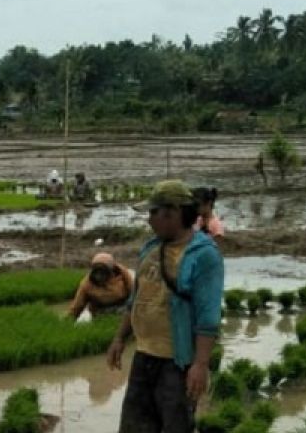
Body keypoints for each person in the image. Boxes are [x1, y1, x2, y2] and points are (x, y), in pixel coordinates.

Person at [107, 180, 225, 433]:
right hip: (144, 357)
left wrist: (201, 365)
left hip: (177, 364)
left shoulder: (204, 256)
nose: (149, 220)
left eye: (154, 213)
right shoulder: (150, 248)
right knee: (134, 427)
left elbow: (208, 317)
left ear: (174, 213)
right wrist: (119, 339)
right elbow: (135, 299)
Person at [68, 252, 134, 319]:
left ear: (110, 271)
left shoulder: (123, 275)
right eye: (97, 272)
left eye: (102, 272)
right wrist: (68, 321)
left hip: (122, 308)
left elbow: (133, 294)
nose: (99, 276)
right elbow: (77, 306)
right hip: (100, 312)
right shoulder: (87, 284)